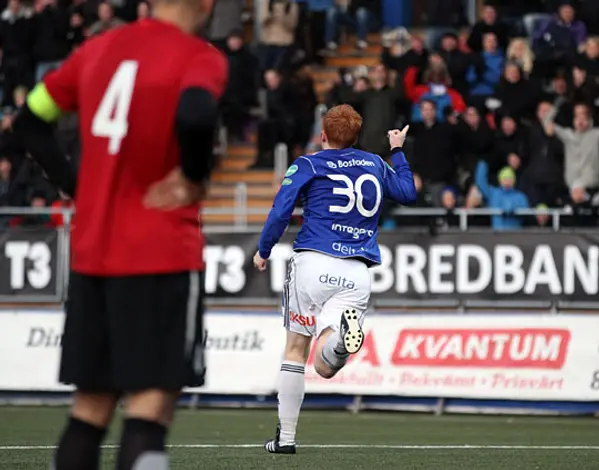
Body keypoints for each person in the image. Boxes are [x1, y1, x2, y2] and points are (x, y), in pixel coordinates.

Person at [12, 0, 228, 467]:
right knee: (147, 417)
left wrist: (75, 186)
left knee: (87, 415)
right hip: (160, 253)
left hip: (93, 257)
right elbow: (195, 112)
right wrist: (193, 174)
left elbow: (29, 121)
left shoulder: (98, 48)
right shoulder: (199, 56)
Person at [253, 104, 416, 454]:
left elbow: (282, 209)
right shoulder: (374, 162)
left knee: (296, 350)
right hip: (357, 271)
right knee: (326, 365)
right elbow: (407, 193)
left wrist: (264, 249)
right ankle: (342, 340)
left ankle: (286, 440)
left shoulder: (309, 163)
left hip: (313, 262)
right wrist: (398, 150)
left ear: (323, 134)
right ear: (357, 137)